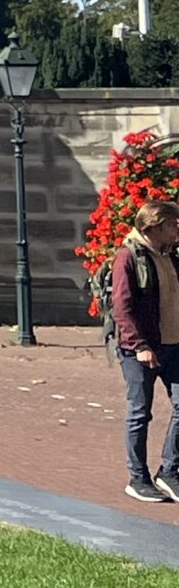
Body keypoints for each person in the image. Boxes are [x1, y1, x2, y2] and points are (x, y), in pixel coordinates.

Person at [109, 198, 179, 504]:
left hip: (173, 345)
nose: (176, 229)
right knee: (140, 412)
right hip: (141, 350)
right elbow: (122, 308)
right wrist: (139, 345)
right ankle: (138, 478)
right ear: (154, 227)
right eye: (172, 224)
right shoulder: (128, 257)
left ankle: (170, 472)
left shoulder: (170, 254)